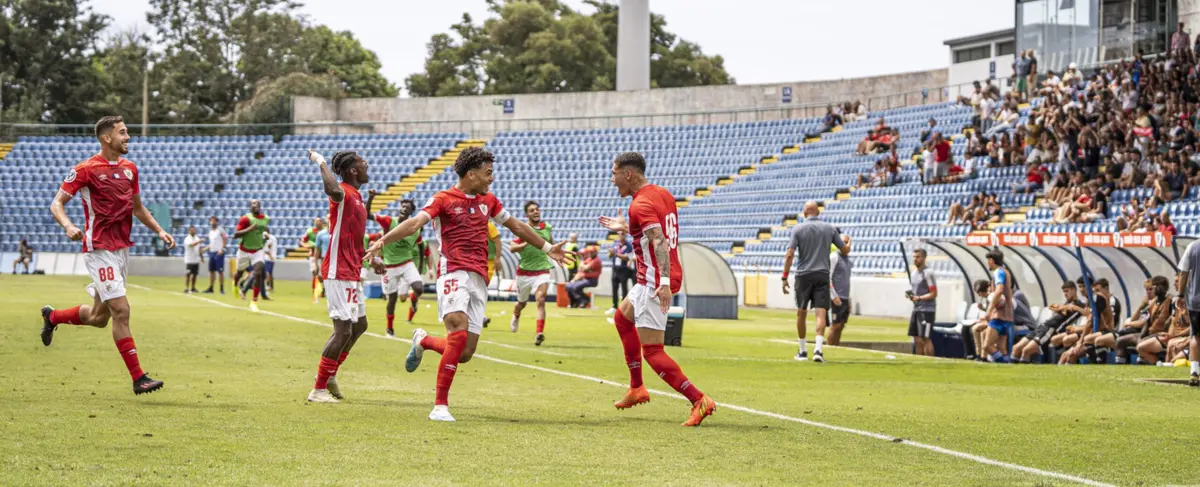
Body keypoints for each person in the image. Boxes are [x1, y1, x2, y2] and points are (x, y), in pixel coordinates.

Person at [366, 147, 568, 422]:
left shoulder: (489, 201)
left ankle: (423, 341)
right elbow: (414, 224)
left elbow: (517, 227)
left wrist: (547, 247)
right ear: (471, 174)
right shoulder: (443, 199)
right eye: (488, 173)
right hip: (453, 272)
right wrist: (382, 240)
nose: (492, 178)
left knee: (464, 353)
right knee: (458, 330)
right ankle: (440, 406)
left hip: (479, 277)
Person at [39, 115, 175, 395]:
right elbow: (57, 204)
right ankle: (139, 378)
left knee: (99, 318)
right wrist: (68, 226)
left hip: (121, 249)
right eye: (122, 132)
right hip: (99, 248)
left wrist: (160, 230)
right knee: (121, 311)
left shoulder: (130, 169)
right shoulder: (85, 169)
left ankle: (52, 317)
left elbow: (138, 208)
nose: (128, 137)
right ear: (106, 138)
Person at [597, 151, 716, 426]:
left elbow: (659, 240)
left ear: (628, 173)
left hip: (654, 280)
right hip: (650, 277)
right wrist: (627, 228)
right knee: (622, 319)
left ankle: (699, 400)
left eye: (614, 174)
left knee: (653, 351)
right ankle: (636, 388)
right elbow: (653, 231)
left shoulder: (640, 204)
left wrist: (662, 283)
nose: (612, 180)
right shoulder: (661, 194)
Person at [305, 150, 380, 404]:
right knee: (343, 330)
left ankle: (330, 374)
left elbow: (355, 239)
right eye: (362, 161)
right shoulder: (343, 193)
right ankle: (318, 389)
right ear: (353, 170)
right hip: (338, 270)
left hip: (352, 270)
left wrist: (370, 259)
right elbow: (331, 188)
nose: (366, 163)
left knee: (359, 326)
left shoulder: (357, 197)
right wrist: (320, 161)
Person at [781, 201, 847, 363]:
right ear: (818, 212)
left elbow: (789, 254)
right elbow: (844, 249)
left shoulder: (797, 229)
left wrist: (785, 276)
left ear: (805, 213)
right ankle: (818, 350)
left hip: (803, 274)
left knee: (801, 312)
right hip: (822, 274)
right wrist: (849, 244)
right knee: (821, 312)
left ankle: (803, 350)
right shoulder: (829, 228)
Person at [363, 194, 426, 336]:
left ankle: (413, 301)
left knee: (419, 288)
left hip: (406, 263)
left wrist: (420, 265)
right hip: (389, 266)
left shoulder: (415, 229)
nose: (404, 208)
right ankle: (389, 328)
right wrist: (371, 198)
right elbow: (368, 215)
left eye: (407, 208)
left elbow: (421, 245)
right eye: (402, 206)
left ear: (411, 212)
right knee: (392, 299)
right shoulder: (389, 221)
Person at [510, 200, 555, 346]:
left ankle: (539, 333)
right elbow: (512, 248)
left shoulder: (547, 228)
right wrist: (525, 243)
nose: (535, 211)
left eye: (537, 209)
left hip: (542, 270)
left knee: (540, 300)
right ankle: (516, 314)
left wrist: (557, 252)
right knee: (521, 303)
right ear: (527, 215)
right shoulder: (523, 229)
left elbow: (552, 246)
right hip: (524, 273)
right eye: (531, 210)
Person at [1011, 281, 1086, 363]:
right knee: (1016, 348)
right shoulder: (1066, 304)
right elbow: (1054, 307)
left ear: (1074, 290)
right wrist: (1061, 307)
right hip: (1042, 326)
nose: (1065, 294)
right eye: (1064, 292)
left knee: (1026, 350)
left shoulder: (1079, 304)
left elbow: (1087, 313)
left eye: (1067, 291)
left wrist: (1074, 307)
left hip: (1050, 329)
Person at [232, 199, 270, 311]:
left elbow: (265, 228)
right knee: (239, 273)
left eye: (258, 203)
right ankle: (235, 284)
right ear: (250, 207)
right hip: (244, 250)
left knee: (258, 272)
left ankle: (254, 301)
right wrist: (250, 228)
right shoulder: (245, 219)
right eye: (253, 203)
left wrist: (266, 234)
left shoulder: (265, 218)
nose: (256, 205)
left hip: (258, 250)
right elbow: (236, 234)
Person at [981, 251, 1014, 363]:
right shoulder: (1006, 271)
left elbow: (999, 290)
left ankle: (1003, 363)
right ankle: (1007, 366)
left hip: (999, 315)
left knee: (987, 345)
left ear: (991, 260)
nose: (987, 263)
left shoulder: (998, 272)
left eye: (988, 260)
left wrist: (989, 310)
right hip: (1008, 315)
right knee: (1001, 347)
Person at [1175, 238, 1200, 386]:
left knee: (1195, 336)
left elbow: (1183, 273)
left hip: (1196, 301)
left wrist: (1180, 295)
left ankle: (1194, 372)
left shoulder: (1192, 247)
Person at [907, 248, 938, 356]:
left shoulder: (928, 273)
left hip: (927, 310)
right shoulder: (913, 273)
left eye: (918, 257)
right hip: (916, 309)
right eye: (914, 257)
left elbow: (934, 293)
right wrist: (911, 296)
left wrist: (919, 298)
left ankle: (930, 360)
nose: (915, 259)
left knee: (925, 338)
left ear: (924, 258)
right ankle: (919, 360)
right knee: (916, 338)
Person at [827, 234, 852, 346]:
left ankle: (836, 346)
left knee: (841, 325)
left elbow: (846, 280)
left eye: (847, 242)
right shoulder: (834, 257)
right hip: (836, 297)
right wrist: (833, 296)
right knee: (835, 325)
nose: (845, 245)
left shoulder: (848, 260)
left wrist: (849, 300)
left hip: (845, 297)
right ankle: (829, 346)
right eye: (843, 242)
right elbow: (827, 277)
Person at [482, 220, 502, 329]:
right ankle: (480, 316)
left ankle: (480, 316)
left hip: (487, 263)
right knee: (477, 289)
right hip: (474, 260)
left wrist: (497, 259)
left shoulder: (489, 225)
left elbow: (497, 241)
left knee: (481, 288)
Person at [301, 217, 326, 301]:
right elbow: (303, 241)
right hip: (313, 255)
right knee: (314, 272)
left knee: (322, 275)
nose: (317, 223)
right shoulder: (310, 231)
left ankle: (323, 289)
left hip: (323, 256)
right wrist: (306, 246)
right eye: (316, 221)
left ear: (322, 222)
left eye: (319, 221)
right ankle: (315, 291)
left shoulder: (325, 231)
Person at [201, 216, 228, 294]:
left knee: (220, 271)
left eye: (214, 221)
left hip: (219, 253)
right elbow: (212, 243)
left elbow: (225, 239)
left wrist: (222, 249)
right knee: (211, 271)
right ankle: (211, 287)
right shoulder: (210, 232)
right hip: (212, 252)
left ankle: (221, 288)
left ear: (217, 222)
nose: (213, 222)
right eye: (211, 221)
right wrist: (205, 249)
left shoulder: (220, 230)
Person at [608, 230, 634, 312]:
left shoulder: (628, 245)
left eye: (622, 234)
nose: (620, 235)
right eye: (619, 234)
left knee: (624, 288)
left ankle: (623, 307)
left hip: (623, 269)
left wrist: (616, 254)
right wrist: (611, 253)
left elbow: (628, 257)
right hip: (615, 268)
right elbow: (610, 256)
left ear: (625, 235)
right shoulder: (616, 244)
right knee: (614, 288)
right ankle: (614, 306)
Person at [313, 219, 331, 304]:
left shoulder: (337, 233)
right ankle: (320, 292)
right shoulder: (321, 234)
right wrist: (315, 263)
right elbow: (317, 248)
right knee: (320, 276)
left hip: (335, 258)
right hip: (324, 258)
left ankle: (329, 293)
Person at [182, 225, 203, 293]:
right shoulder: (187, 239)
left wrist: (201, 257)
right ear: (189, 231)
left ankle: (193, 287)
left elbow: (199, 249)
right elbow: (191, 245)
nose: (193, 231)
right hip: (189, 259)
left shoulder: (197, 238)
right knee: (188, 274)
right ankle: (186, 287)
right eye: (191, 230)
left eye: (194, 230)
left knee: (195, 274)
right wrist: (199, 241)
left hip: (196, 259)